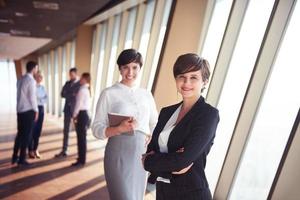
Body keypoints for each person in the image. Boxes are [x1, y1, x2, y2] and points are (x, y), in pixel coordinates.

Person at [142, 53, 220, 200]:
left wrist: (151, 161)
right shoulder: (166, 112)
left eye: (194, 78)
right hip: (163, 192)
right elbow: (151, 151)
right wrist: (170, 163)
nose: (186, 82)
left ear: (204, 82)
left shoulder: (208, 115)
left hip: (191, 193)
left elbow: (182, 161)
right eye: (182, 77)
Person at [92, 49, 158, 200]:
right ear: (120, 69)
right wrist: (118, 129)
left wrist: (152, 137)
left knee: (136, 197)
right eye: (125, 67)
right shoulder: (109, 93)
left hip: (142, 154)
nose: (130, 72)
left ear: (140, 68)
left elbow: (155, 122)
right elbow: (96, 128)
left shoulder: (146, 94)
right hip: (117, 153)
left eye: (134, 67)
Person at [12, 61, 39, 166]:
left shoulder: (20, 79)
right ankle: (22, 159)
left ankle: (14, 157)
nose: (36, 70)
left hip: (20, 111)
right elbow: (32, 97)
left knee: (19, 135)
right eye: (36, 68)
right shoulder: (31, 81)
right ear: (33, 69)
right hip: (28, 111)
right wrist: (36, 110)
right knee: (26, 136)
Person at [55, 68, 80, 158]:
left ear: (76, 74)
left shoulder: (80, 84)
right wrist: (72, 94)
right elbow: (62, 94)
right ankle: (64, 150)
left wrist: (68, 93)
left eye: (72, 74)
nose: (70, 76)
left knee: (78, 131)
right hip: (67, 110)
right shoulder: (67, 83)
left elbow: (77, 95)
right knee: (66, 131)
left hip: (76, 111)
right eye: (70, 74)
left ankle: (79, 152)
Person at [71, 73, 91, 166]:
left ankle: (81, 160)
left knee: (81, 138)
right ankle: (81, 158)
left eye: (82, 78)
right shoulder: (87, 89)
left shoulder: (82, 90)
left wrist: (74, 115)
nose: (80, 79)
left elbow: (78, 104)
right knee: (82, 138)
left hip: (82, 115)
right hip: (85, 114)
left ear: (85, 79)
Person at [28, 71, 47, 159]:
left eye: (41, 77)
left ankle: (36, 149)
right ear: (35, 77)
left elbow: (46, 99)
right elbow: (33, 99)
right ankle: (30, 150)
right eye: (38, 76)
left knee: (38, 131)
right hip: (33, 110)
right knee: (32, 130)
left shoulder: (43, 87)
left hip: (41, 109)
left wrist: (39, 99)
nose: (40, 78)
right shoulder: (32, 87)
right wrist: (40, 98)